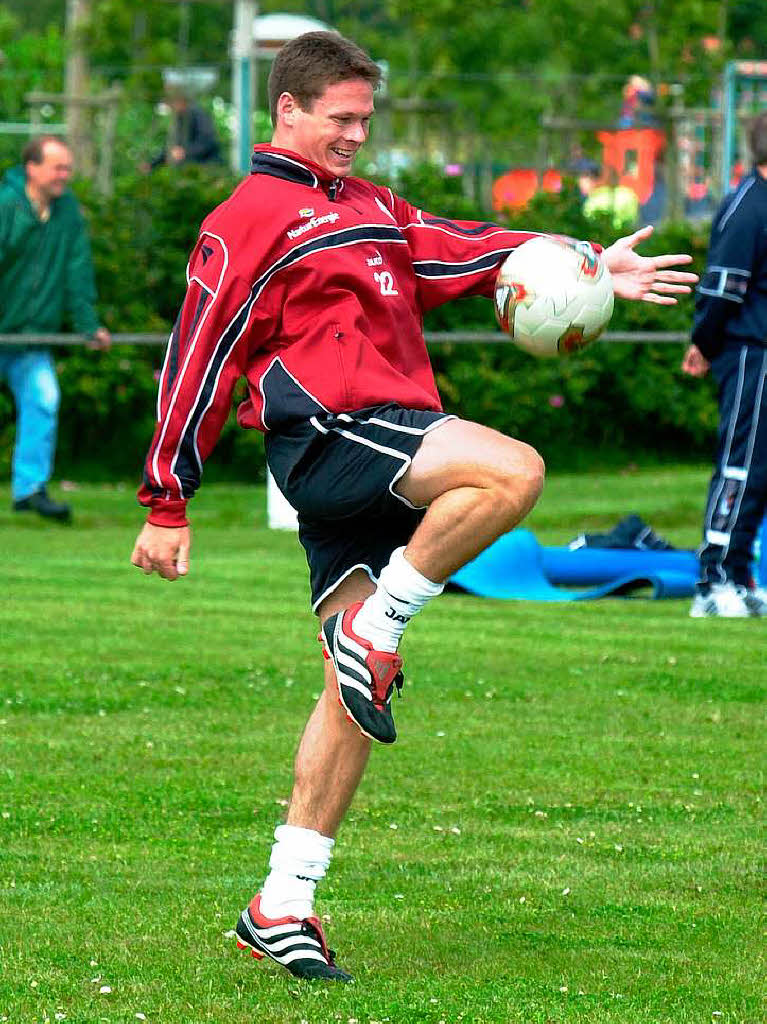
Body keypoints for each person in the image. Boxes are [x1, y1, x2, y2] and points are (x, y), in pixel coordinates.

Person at [130, 31, 697, 982]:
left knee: (348, 700)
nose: (356, 134)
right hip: (332, 435)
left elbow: (456, 247)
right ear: (289, 111)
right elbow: (200, 353)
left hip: (381, 436)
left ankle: (282, 902)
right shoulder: (247, 216)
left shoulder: (370, 206)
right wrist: (166, 499)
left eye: (365, 118)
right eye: (340, 118)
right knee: (514, 472)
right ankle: (383, 624)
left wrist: (588, 264)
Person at [682, 111, 767, 618]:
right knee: (739, 465)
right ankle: (710, 584)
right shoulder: (748, 206)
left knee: (761, 472)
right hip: (749, 356)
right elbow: (721, 290)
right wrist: (704, 343)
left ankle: (739, 575)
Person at [0, 135, 110, 522]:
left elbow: (77, 274)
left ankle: (29, 491)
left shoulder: (67, 214)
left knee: (43, 401)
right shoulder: (6, 205)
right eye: (58, 167)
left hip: (31, 337)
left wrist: (88, 326)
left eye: (67, 167)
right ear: (32, 167)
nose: (66, 174)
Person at [148, 90, 221, 170]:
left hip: (208, 166)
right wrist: (152, 165)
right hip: (189, 169)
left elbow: (208, 141)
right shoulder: (179, 119)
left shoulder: (199, 114)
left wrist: (185, 151)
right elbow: (171, 148)